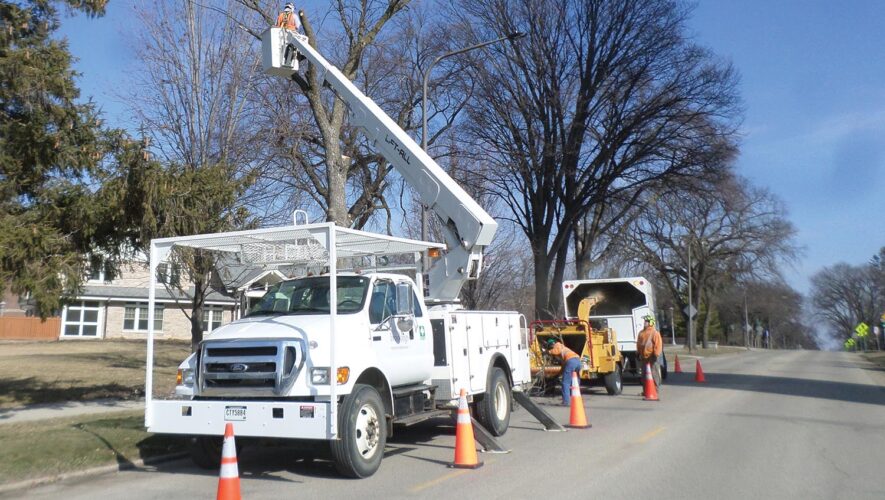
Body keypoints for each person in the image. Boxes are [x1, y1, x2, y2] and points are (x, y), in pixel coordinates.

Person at [545, 338, 581, 406]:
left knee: (565, 383)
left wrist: (548, 352)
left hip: (571, 362)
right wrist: (559, 373)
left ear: (551, 345)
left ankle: (566, 401)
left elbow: (556, 351)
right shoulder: (564, 350)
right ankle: (576, 398)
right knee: (575, 381)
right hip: (578, 362)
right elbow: (564, 366)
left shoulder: (558, 345)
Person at [636, 314, 663, 392]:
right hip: (643, 357)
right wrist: (638, 352)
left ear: (651, 322)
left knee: (653, 373)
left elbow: (658, 344)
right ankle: (646, 390)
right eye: (645, 321)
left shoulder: (655, 333)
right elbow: (639, 344)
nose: (645, 323)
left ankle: (655, 389)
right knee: (644, 374)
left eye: (647, 321)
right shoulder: (641, 333)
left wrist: (656, 354)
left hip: (652, 356)